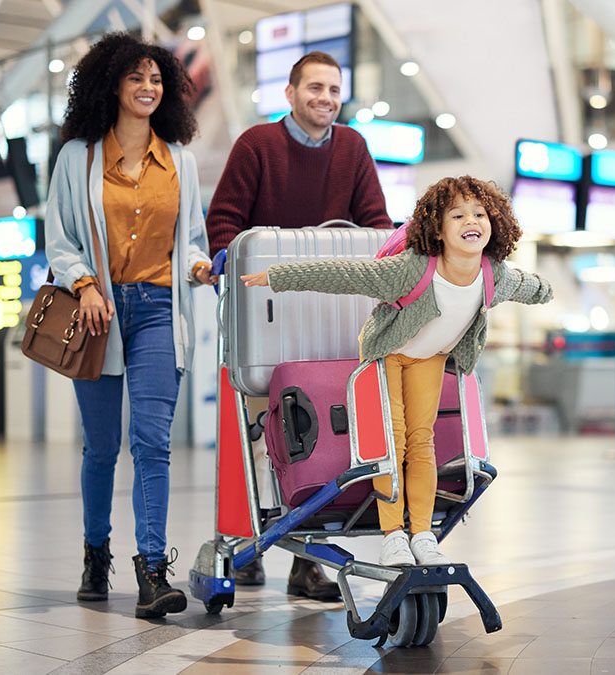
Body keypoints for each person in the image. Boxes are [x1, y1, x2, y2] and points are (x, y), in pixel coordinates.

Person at [241, 176, 553, 566]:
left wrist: (546, 291)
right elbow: (343, 275)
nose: (471, 220)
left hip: (430, 357)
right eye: (457, 215)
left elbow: (529, 286)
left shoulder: (494, 275)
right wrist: (278, 277)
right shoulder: (411, 269)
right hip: (388, 353)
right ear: (437, 229)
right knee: (391, 440)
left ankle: (421, 533)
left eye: (479, 213)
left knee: (422, 442)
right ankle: (393, 537)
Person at [206, 50, 392, 597]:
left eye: (334, 90)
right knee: (256, 437)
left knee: (312, 436)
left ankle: (302, 557)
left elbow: (376, 225)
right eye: (315, 88)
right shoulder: (256, 146)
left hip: (326, 315)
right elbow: (223, 224)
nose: (326, 99)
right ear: (290, 94)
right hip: (262, 315)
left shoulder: (353, 148)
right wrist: (223, 258)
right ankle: (242, 541)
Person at [45, 32, 215, 619]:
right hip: (97, 313)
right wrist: (84, 284)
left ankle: (151, 572)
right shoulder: (78, 157)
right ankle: (97, 554)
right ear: (111, 84)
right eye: (136, 77)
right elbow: (60, 239)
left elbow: (192, 237)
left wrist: (198, 264)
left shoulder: (182, 162)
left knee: (152, 443)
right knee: (101, 448)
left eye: (156, 79)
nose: (148, 87)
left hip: (160, 312)